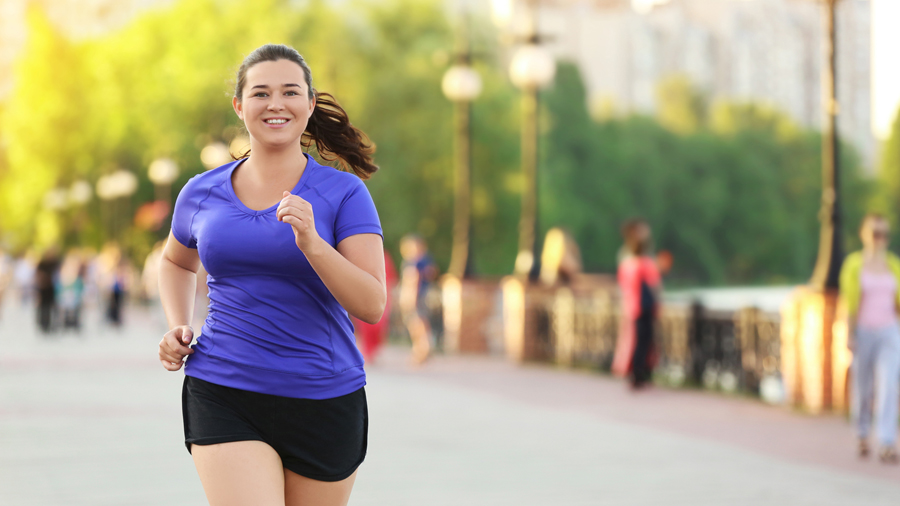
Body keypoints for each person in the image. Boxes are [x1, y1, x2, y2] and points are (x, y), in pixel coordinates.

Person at [157, 44, 384, 506]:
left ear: (310, 104)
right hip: (223, 388)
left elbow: (372, 305)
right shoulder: (201, 192)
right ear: (239, 106)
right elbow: (176, 261)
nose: (275, 103)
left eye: (289, 92)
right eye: (260, 93)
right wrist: (178, 324)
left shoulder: (345, 193)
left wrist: (313, 244)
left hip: (324, 397)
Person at [839, 213, 900, 464]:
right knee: (863, 387)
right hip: (864, 330)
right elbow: (849, 303)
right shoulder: (854, 265)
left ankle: (886, 441)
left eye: (884, 234)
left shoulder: (894, 265)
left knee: (888, 385)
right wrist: (849, 333)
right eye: (875, 233)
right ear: (864, 234)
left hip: (890, 331)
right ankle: (862, 433)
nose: (879, 239)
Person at [612, 219, 662, 389]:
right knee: (644, 341)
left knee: (634, 340)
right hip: (644, 307)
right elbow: (654, 285)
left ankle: (633, 371)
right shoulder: (645, 263)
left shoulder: (626, 263)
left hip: (631, 307)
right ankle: (641, 373)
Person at [352, 248, 398, 364]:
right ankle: (368, 351)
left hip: (383, 294)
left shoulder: (384, 256)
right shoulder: (358, 253)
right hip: (363, 293)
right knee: (365, 325)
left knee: (379, 324)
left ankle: (375, 349)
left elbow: (392, 278)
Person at [399, 234, 437, 364]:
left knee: (416, 323)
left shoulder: (414, 263)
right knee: (420, 322)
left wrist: (410, 298)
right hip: (423, 294)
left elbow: (412, 280)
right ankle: (423, 348)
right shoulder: (425, 261)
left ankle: (422, 349)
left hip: (415, 296)